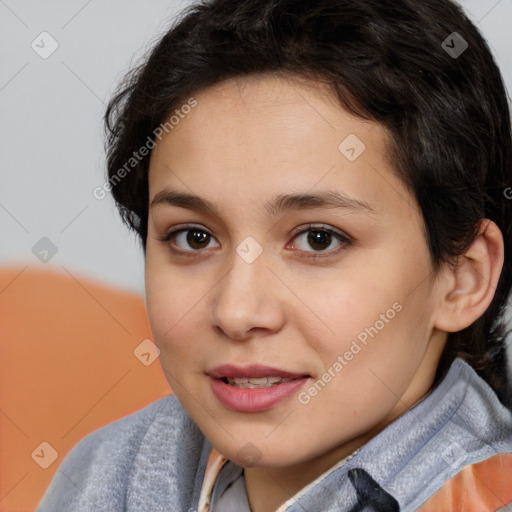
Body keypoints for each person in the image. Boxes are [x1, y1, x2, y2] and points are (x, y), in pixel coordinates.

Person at [37, 0, 512, 510]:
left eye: (318, 239)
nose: (236, 312)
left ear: (462, 276)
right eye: (194, 237)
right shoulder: (108, 472)